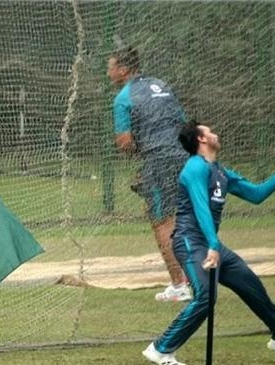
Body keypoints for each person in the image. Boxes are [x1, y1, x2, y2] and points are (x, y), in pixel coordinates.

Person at [142, 120, 275, 365]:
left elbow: (256, 195)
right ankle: (160, 350)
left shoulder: (221, 172)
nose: (216, 133)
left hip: (211, 244)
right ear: (201, 139)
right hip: (189, 241)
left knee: (250, 284)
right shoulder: (194, 168)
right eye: (210, 131)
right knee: (205, 297)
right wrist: (213, 244)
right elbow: (201, 207)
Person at [107, 46, 191, 302]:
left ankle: (179, 285)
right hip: (186, 156)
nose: (108, 72)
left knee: (161, 221)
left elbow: (124, 142)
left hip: (160, 159)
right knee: (183, 218)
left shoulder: (123, 98)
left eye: (110, 67)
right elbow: (182, 122)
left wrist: (139, 157)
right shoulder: (161, 85)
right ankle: (198, 278)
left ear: (122, 70)